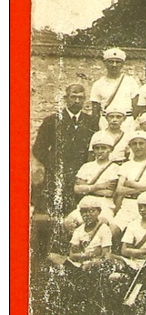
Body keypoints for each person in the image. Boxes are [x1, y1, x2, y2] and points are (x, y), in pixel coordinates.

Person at [32, 84, 98, 220]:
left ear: (85, 100)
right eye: (73, 97)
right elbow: (39, 148)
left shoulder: (91, 122)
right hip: (57, 172)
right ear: (65, 98)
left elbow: (95, 148)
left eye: (80, 98)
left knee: (78, 212)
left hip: (81, 173)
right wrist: (53, 164)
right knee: (55, 213)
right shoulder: (52, 120)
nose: (77, 101)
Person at [90, 48, 140, 131]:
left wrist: (126, 119)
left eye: (118, 62)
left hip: (126, 122)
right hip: (106, 122)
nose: (114, 65)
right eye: (110, 61)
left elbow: (136, 107)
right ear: (105, 63)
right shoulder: (98, 84)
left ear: (122, 64)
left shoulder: (131, 82)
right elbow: (95, 111)